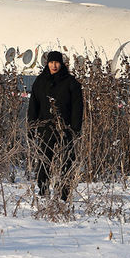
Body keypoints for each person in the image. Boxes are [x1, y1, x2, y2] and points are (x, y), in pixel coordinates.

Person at [27, 50, 83, 201]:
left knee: (68, 160)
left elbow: (78, 108)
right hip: (46, 127)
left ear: (62, 64)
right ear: (47, 63)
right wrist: (31, 126)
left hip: (66, 128)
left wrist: (75, 129)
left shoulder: (71, 83)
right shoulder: (40, 81)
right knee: (45, 160)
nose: (54, 65)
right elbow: (33, 105)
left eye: (57, 62)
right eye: (51, 62)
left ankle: (64, 193)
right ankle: (43, 190)